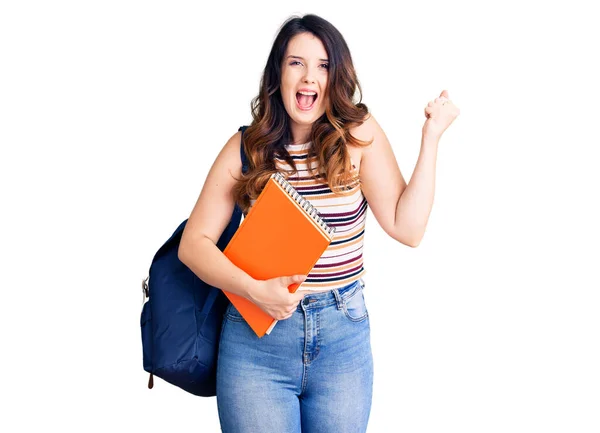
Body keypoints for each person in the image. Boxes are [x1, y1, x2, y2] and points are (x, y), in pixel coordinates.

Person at [178, 13, 459, 433]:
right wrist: (256, 290)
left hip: (342, 338)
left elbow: (408, 227)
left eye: (323, 65)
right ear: (278, 74)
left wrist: (432, 137)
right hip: (256, 346)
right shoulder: (246, 148)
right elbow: (193, 244)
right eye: (297, 63)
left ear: (336, 76)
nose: (310, 76)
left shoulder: (358, 136)